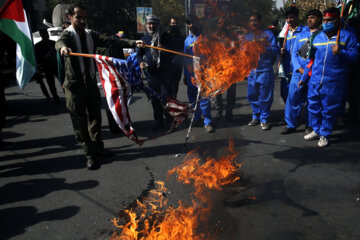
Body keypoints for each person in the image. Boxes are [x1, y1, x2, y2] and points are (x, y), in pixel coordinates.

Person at [55, 4, 143, 170]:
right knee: (80, 123)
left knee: (95, 118)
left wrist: (133, 43)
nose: (82, 20)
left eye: (84, 18)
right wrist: (63, 49)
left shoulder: (90, 34)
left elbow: (112, 40)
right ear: (70, 18)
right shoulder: (67, 35)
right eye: (78, 17)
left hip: (90, 85)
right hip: (74, 88)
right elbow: (59, 43)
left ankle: (98, 148)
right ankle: (89, 155)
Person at [299, 7, 359, 147]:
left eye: (329, 20)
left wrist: (342, 52)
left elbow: (355, 56)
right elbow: (310, 60)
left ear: (337, 20)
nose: (326, 22)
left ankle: (324, 134)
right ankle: (316, 129)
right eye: (324, 20)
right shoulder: (317, 37)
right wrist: (305, 78)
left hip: (333, 82)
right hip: (315, 80)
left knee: (328, 110)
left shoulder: (347, 36)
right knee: (313, 107)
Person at [281, 9, 322, 134]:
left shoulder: (321, 36)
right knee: (292, 98)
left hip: (313, 74)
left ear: (319, 20)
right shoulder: (301, 35)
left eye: (313, 17)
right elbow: (295, 55)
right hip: (298, 73)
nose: (309, 20)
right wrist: (300, 69)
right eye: (308, 17)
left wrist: (309, 71)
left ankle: (310, 125)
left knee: (312, 100)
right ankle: (290, 124)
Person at [245, 12, 279, 130]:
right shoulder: (247, 37)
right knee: (252, 95)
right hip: (252, 71)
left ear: (260, 21)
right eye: (251, 20)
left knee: (265, 96)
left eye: (255, 20)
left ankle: (264, 119)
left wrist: (264, 48)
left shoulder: (268, 35)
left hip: (265, 70)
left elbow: (275, 49)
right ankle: (256, 116)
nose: (253, 23)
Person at [137, 14, 172, 129]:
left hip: (165, 73)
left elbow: (174, 53)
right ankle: (158, 121)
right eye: (149, 23)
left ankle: (170, 119)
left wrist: (165, 50)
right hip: (151, 74)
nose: (151, 25)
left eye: (154, 23)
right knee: (155, 99)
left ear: (158, 24)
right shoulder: (144, 39)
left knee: (167, 97)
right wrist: (140, 63)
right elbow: (139, 55)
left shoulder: (165, 36)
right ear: (146, 25)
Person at [184, 15, 214, 133]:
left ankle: (207, 121)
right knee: (192, 98)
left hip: (204, 72)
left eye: (193, 22)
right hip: (191, 73)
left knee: (204, 98)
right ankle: (197, 118)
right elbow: (185, 58)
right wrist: (185, 75)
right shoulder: (187, 40)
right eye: (189, 23)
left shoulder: (206, 38)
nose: (191, 25)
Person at [279, 6, 308, 104]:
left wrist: (301, 67)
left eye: (291, 17)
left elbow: (305, 51)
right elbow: (278, 47)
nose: (289, 20)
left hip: (299, 69)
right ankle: (290, 115)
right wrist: (281, 51)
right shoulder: (285, 33)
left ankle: (296, 115)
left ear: (297, 17)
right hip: (286, 68)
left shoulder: (305, 31)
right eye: (287, 18)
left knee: (299, 94)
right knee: (284, 93)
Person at [213, 16, 237, 121]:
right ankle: (219, 112)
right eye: (219, 23)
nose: (222, 25)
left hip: (230, 68)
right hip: (218, 69)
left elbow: (237, 51)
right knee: (218, 91)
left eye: (224, 23)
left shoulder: (232, 37)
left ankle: (229, 112)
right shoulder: (214, 37)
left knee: (231, 92)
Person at [34, 28, 60, 103]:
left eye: (47, 33)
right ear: (41, 35)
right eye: (44, 34)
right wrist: (45, 56)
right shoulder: (38, 46)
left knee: (62, 81)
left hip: (56, 65)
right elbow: (38, 58)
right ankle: (55, 97)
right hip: (47, 67)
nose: (46, 35)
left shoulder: (54, 43)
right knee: (51, 83)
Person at [165, 17, 185, 98]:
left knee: (175, 85)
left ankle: (174, 101)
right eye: (172, 23)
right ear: (170, 24)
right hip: (167, 65)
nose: (174, 25)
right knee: (167, 86)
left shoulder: (181, 36)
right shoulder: (165, 36)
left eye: (175, 23)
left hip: (177, 65)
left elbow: (183, 49)